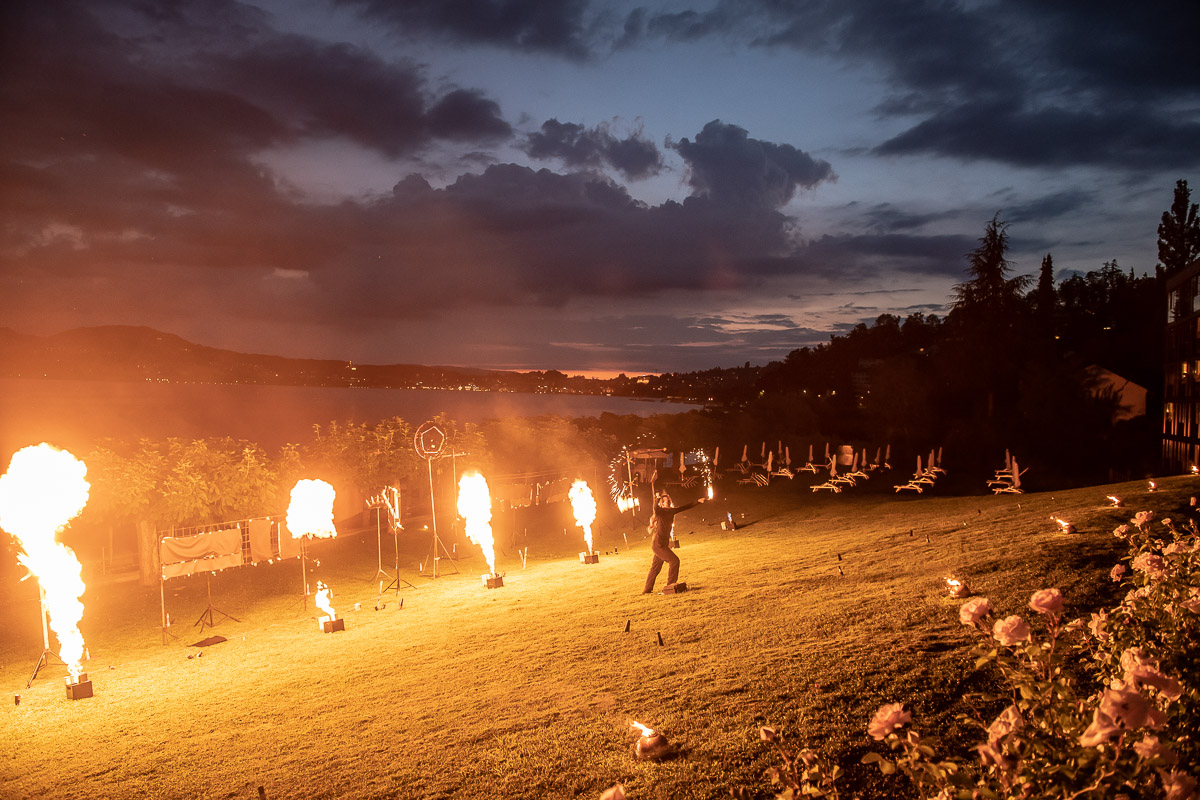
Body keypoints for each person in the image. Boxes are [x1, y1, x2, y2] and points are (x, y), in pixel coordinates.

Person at [642, 490, 706, 594]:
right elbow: (655, 507)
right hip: (658, 544)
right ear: (662, 503)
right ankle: (670, 586)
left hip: (663, 544)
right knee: (674, 561)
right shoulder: (659, 511)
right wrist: (657, 498)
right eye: (664, 502)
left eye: (668, 501)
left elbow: (685, 507)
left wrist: (698, 501)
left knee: (655, 568)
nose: (667, 503)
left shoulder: (672, 511)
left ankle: (646, 590)